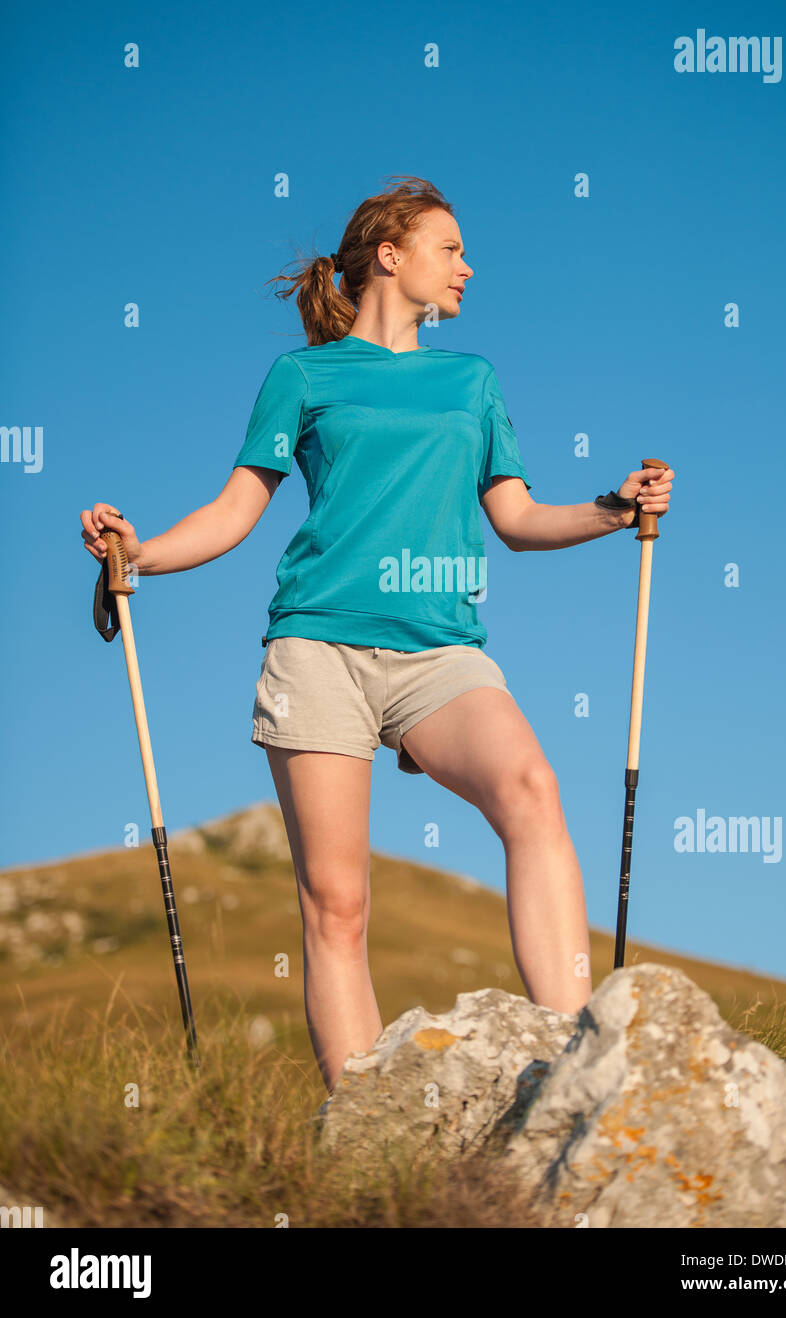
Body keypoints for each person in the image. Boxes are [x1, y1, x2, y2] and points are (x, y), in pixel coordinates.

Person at [80, 175, 674, 1093]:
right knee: (338, 902)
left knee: (532, 789)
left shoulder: (470, 379)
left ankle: (577, 1071)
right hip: (318, 647)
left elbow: (514, 518)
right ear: (390, 255)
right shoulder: (303, 377)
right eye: (452, 248)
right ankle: (364, 1127)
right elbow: (238, 511)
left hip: (440, 650)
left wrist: (609, 507)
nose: (468, 268)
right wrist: (139, 555)